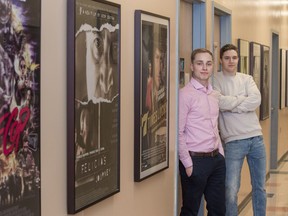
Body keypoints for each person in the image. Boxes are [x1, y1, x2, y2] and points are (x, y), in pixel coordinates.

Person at [213, 44, 266, 216]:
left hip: (256, 138)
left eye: (234, 57)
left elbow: (256, 100)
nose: (231, 61)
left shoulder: (247, 78)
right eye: (227, 58)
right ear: (221, 60)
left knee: (260, 187)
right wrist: (242, 100)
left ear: (238, 59)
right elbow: (220, 103)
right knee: (230, 190)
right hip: (233, 141)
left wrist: (232, 105)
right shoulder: (215, 80)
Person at [178, 48, 226, 216]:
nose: (204, 68)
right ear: (192, 66)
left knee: (218, 210)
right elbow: (178, 132)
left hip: (216, 161)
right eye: (200, 63)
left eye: (208, 63)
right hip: (195, 161)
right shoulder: (185, 95)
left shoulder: (214, 95)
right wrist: (188, 163)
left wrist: (221, 154)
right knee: (190, 210)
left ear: (213, 66)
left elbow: (214, 126)